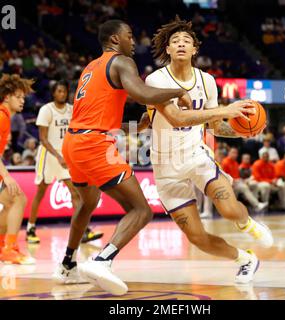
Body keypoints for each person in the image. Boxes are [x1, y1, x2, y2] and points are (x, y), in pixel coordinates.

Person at [53, 19, 195, 294]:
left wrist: (136, 125)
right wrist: (179, 91)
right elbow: (141, 92)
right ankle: (101, 259)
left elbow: (99, 109)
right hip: (94, 144)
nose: (134, 40)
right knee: (141, 210)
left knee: (87, 202)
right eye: (130, 35)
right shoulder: (121, 62)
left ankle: (68, 263)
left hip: (73, 141)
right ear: (116, 39)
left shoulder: (91, 66)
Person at [145, 16, 273, 284]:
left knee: (228, 209)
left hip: (196, 156)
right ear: (167, 49)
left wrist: (241, 131)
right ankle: (245, 259)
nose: (180, 44)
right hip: (165, 167)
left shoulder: (207, 81)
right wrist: (226, 110)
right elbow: (178, 118)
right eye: (175, 41)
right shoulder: (156, 80)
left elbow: (213, 125)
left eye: (186, 41)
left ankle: (248, 223)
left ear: (195, 50)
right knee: (197, 238)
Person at [27, 80, 103, 244]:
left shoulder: (71, 110)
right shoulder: (46, 110)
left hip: (66, 156)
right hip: (48, 156)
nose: (62, 94)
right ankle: (30, 228)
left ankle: (83, 231)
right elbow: (43, 139)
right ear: (54, 93)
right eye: (59, 91)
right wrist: (58, 156)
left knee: (75, 193)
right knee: (41, 192)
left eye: (64, 91)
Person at [0, 74, 35, 264]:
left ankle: (3, 247)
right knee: (17, 198)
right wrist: (6, 175)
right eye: (18, 97)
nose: (23, 101)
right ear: (7, 97)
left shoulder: (5, 116)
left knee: (11, 201)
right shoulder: (2, 116)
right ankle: (9, 248)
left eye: (24, 97)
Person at [222, 148, 267, 212]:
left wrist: (242, 181)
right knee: (243, 187)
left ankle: (255, 206)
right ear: (229, 153)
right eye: (233, 152)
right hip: (229, 184)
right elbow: (223, 176)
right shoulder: (225, 162)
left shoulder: (235, 163)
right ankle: (257, 205)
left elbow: (237, 176)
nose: (235, 155)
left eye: (236, 153)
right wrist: (234, 181)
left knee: (254, 185)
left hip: (238, 183)